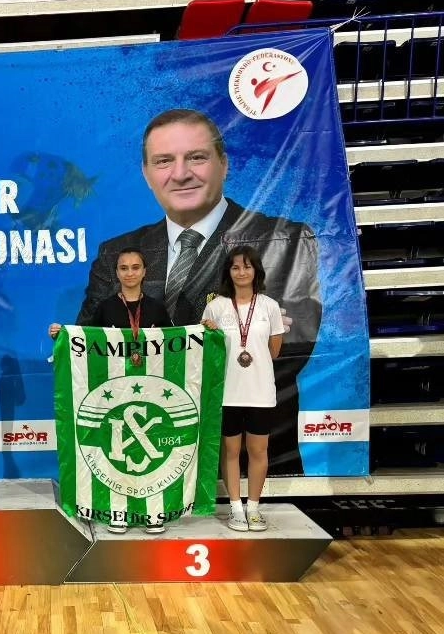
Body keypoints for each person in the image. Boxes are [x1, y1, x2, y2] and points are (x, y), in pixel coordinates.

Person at [77, 108, 321, 475]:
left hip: (241, 449)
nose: (180, 174)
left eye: (196, 157)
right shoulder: (117, 253)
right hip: (146, 453)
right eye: (164, 161)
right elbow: (91, 341)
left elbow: (288, 348)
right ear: (146, 174)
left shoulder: (283, 240)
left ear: (224, 164)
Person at [50, 248, 173, 535]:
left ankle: (152, 510)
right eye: (123, 268)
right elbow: (87, 342)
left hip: (150, 394)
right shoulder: (106, 308)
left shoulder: (157, 308)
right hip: (115, 394)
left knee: (150, 452)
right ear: (116, 273)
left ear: (145, 272)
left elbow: (176, 344)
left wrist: (206, 331)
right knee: (116, 452)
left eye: (135, 267)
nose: (129, 273)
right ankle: (119, 509)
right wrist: (63, 334)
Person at [202, 246, 284, 532]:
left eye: (247, 266)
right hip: (227, 392)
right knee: (231, 451)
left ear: (256, 270)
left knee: (258, 450)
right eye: (235, 267)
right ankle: (236, 508)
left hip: (260, 392)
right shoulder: (216, 307)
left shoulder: (269, 306)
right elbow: (208, 353)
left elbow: (274, 352)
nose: (241, 272)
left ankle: (254, 508)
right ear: (228, 272)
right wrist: (210, 332)